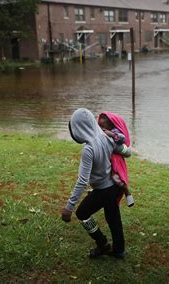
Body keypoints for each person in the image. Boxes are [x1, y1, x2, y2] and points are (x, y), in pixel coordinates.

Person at [61, 108, 130, 259]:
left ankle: (102, 243)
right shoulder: (106, 137)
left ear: (78, 129)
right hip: (114, 187)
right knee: (113, 217)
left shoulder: (88, 149)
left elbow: (82, 181)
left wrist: (69, 207)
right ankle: (119, 250)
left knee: (82, 213)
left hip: (103, 190)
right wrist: (124, 148)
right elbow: (126, 151)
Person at [98, 112, 134, 207]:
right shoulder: (102, 131)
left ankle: (127, 193)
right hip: (108, 158)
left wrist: (112, 135)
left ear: (109, 123)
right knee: (109, 175)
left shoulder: (115, 130)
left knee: (118, 177)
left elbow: (122, 139)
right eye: (100, 126)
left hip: (116, 158)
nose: (102, 129)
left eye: (103, 126)